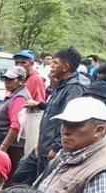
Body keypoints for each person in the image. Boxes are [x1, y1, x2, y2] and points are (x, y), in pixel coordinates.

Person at [15, 47, 88, 184]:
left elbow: (70, 119)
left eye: (55, 63)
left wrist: (56, 147)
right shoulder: (62, 84)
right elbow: (56, 109)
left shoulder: (74, 88)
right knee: (21, 176)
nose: (51, 66)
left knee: (41, 186)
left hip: (52, 149)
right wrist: (39, 105)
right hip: (43, 145)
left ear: (65, 67)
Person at [0, 67, 32, 173]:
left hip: (11, 147)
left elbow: (16, 125)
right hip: (3, 141)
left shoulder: (20, 98)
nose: (7, 82)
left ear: (21, 80)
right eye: (5, 79)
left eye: (11, 79)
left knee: (2, 174)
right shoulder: (13, 94)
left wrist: (3, 147)